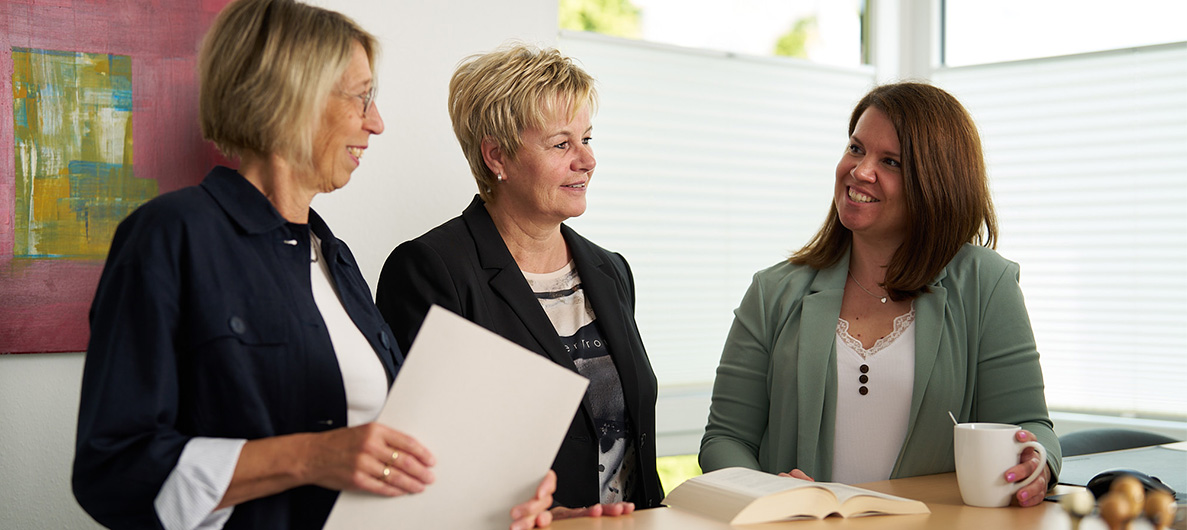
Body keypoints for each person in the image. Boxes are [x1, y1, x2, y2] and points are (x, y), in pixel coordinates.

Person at [71, 1, 554, 529]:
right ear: (291, 96)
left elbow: (384, 464)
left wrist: (499, 503)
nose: (377, 123)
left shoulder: (336, 261)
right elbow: (113, 470)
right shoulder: (171, 236)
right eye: (361, 97)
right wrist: (313, 456)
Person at [698, 82, 1061, 508]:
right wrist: (769, 492)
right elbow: (724, 438)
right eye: (855, 149)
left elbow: (1029, 425)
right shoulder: (773, 291)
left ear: (936, 182)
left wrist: (1038, 462)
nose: (860, 171)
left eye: (890, 162)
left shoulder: (986, 285)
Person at [375, 45, 663, 517]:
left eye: (588, 138)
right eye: (561, 144)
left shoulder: (611, 270)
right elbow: (421, 459)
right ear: (497, 157)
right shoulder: (431, 271)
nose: (586, 159)